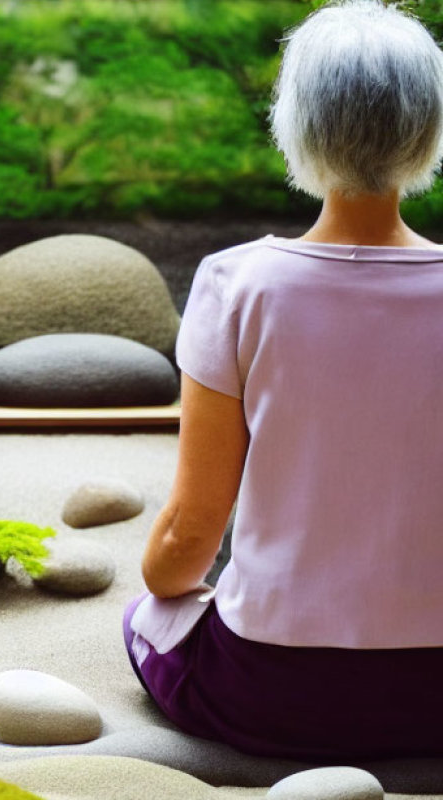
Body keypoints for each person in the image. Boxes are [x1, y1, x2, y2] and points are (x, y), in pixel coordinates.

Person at [123, 0, 443, 761]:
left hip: (268, 689)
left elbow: (192, 533)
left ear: (295, 124)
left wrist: (156, 587)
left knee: (145, 615)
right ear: (426, 128)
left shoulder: (237, 284)